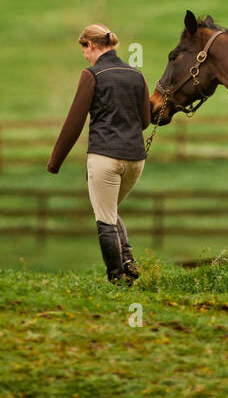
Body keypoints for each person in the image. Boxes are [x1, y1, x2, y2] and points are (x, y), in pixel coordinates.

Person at [46, 23, 150, 283]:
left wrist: (54, 162)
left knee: (104, 217)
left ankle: (117, 277)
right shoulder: (136, 75)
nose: (85, 56)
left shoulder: (91, 75)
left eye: (84, 50)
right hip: (136, 160)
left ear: (90, 45)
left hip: (104, 158)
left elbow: (74, 121)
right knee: (110, 209)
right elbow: (145, 120)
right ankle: (129, 264)